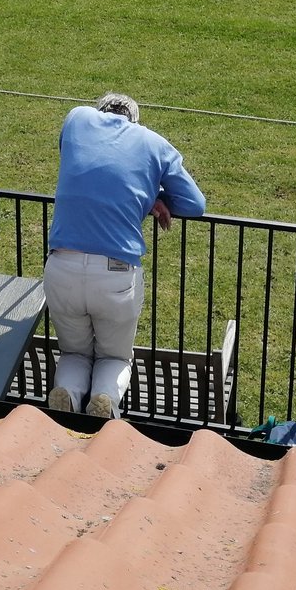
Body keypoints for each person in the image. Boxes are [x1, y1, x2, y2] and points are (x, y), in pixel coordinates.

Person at [44, 93, 206, 419]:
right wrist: (150, 195)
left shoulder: (77, 118)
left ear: (100, 111)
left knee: (74, 352)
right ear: (134, 120)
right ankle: (104, 399)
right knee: (114, 358)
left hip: (62, 266)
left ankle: (67, 394)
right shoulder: (154, 144)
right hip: (116, 275)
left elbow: (78, 162)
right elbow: (194, 204)